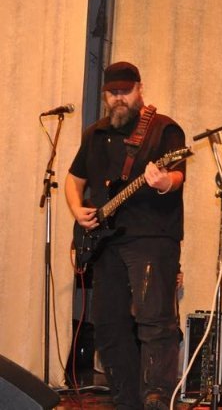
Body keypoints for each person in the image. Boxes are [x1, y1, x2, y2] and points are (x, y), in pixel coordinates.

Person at [65, 61, 187, 409]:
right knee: (108, 325)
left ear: (139, 89)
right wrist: (77, 209)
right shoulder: (95, 134)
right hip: (105, 241)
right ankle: (126, 399)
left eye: (126, 91)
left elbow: (177, 176)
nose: (119, 98)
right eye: (112, 93)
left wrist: (163, 182)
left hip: (151, 236)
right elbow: (74, 180)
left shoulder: (164, 129)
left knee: (154, 322)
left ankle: (156, 398)